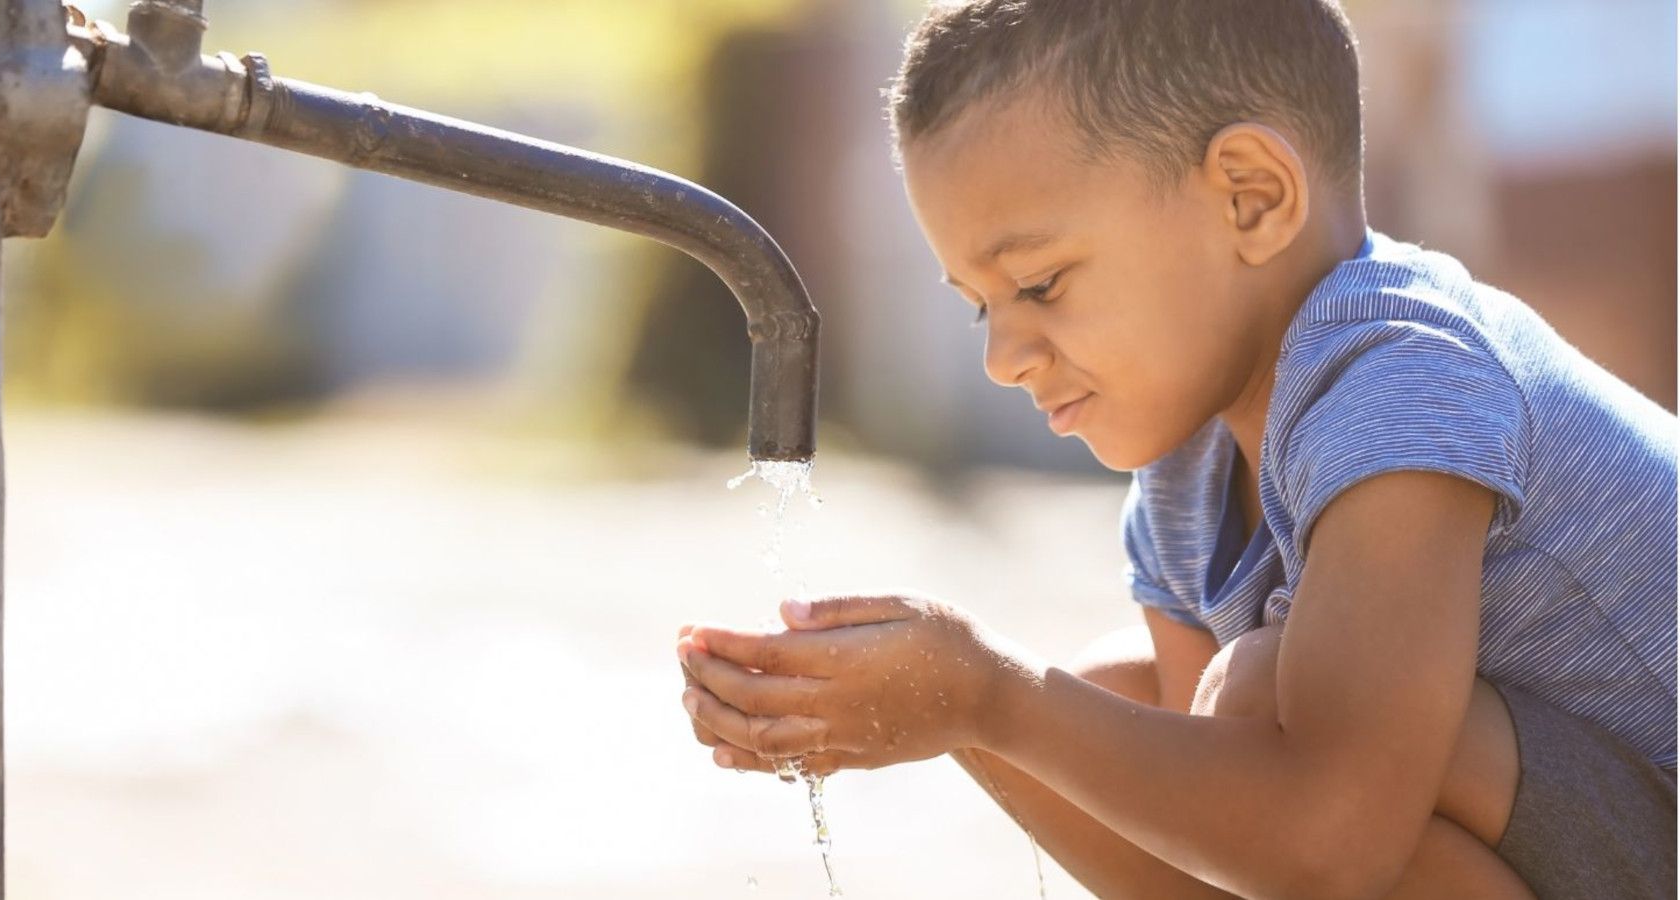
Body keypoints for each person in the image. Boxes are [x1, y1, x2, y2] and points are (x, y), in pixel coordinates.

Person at [673, 1, 1678, 897]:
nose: (1003, 357)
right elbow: (1213, 854)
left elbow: (1331, 847)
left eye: (1039, 285)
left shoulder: (1399, 375)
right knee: (1126, 703)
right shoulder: (1187, 466)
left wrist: (988, 698)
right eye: (980, 306)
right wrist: (956, 716)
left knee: (1233, 700)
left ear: (1249, 198)